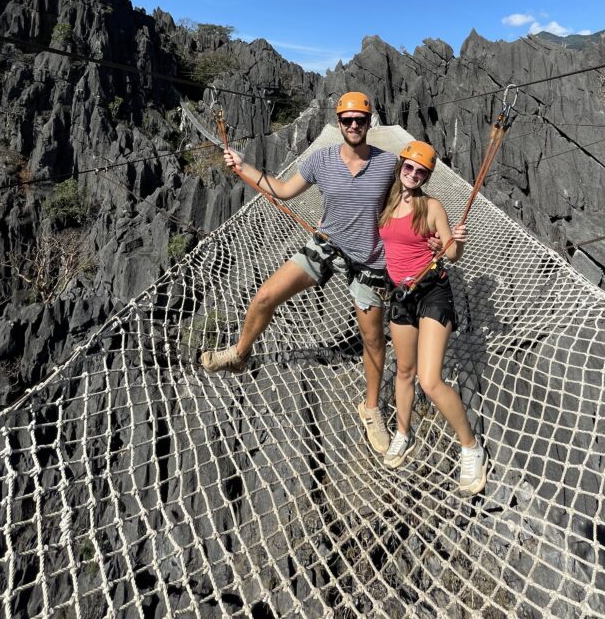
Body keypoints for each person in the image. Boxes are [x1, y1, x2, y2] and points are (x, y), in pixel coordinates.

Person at [201, 92, 397, 454]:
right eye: (347, 120)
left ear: (370, 123)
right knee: (264, 297)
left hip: (370, 260)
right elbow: (284, 190)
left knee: (372, 340)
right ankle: (240, 355)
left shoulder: (390, 164)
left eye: (360, 119)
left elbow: (411, 203)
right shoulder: (321, 159)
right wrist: (243, 167)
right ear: (338, 123)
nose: (354, 125)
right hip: (325, 246)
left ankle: (370, 409)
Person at [379, 140, 487, 495]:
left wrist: (452, 243)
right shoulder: (385, 202)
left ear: (427, 176)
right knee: (404, 371)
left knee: (429, 380)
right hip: (400, 294)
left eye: (421, 171)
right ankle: (402, 433)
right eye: (409, 167)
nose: (413, 174)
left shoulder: (431, 206)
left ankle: (470, 448)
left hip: (432, 292)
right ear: (400, 166)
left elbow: (452, 254)